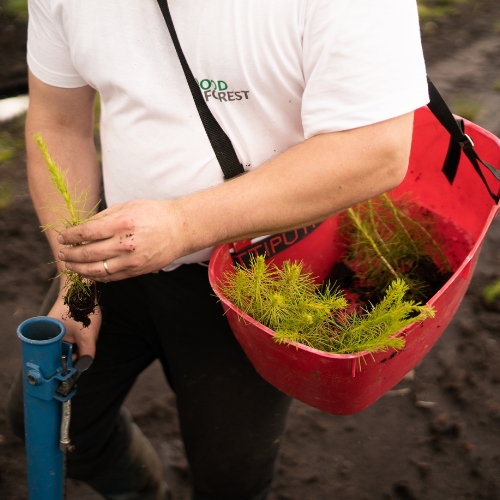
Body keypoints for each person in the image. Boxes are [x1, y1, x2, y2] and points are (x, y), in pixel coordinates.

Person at [7, 0, 429, 498]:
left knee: (231, 476)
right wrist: (78, 280)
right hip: (112, 251)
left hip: (259, 278)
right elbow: (57, 123)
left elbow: (376, 151)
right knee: (55, 422)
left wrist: (183, 224)